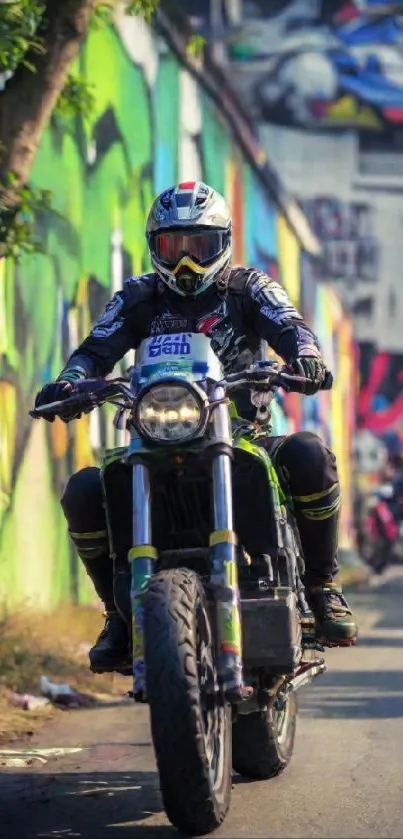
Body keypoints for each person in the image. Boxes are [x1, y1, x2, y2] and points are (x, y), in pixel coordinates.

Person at [34, 181, 358, 672]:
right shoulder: (138, 297)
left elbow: (291, 326)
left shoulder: (250, 288)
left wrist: (307, 357)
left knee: (310, 455)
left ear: (223, 243)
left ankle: (321, 586)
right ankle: (117, 615)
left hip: (242, 434)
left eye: (199, 246)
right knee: (84, 490)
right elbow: (95, 349)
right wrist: (71, 381)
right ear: (154, 247)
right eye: (172, 247)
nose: (186, 262)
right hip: (155, 433)